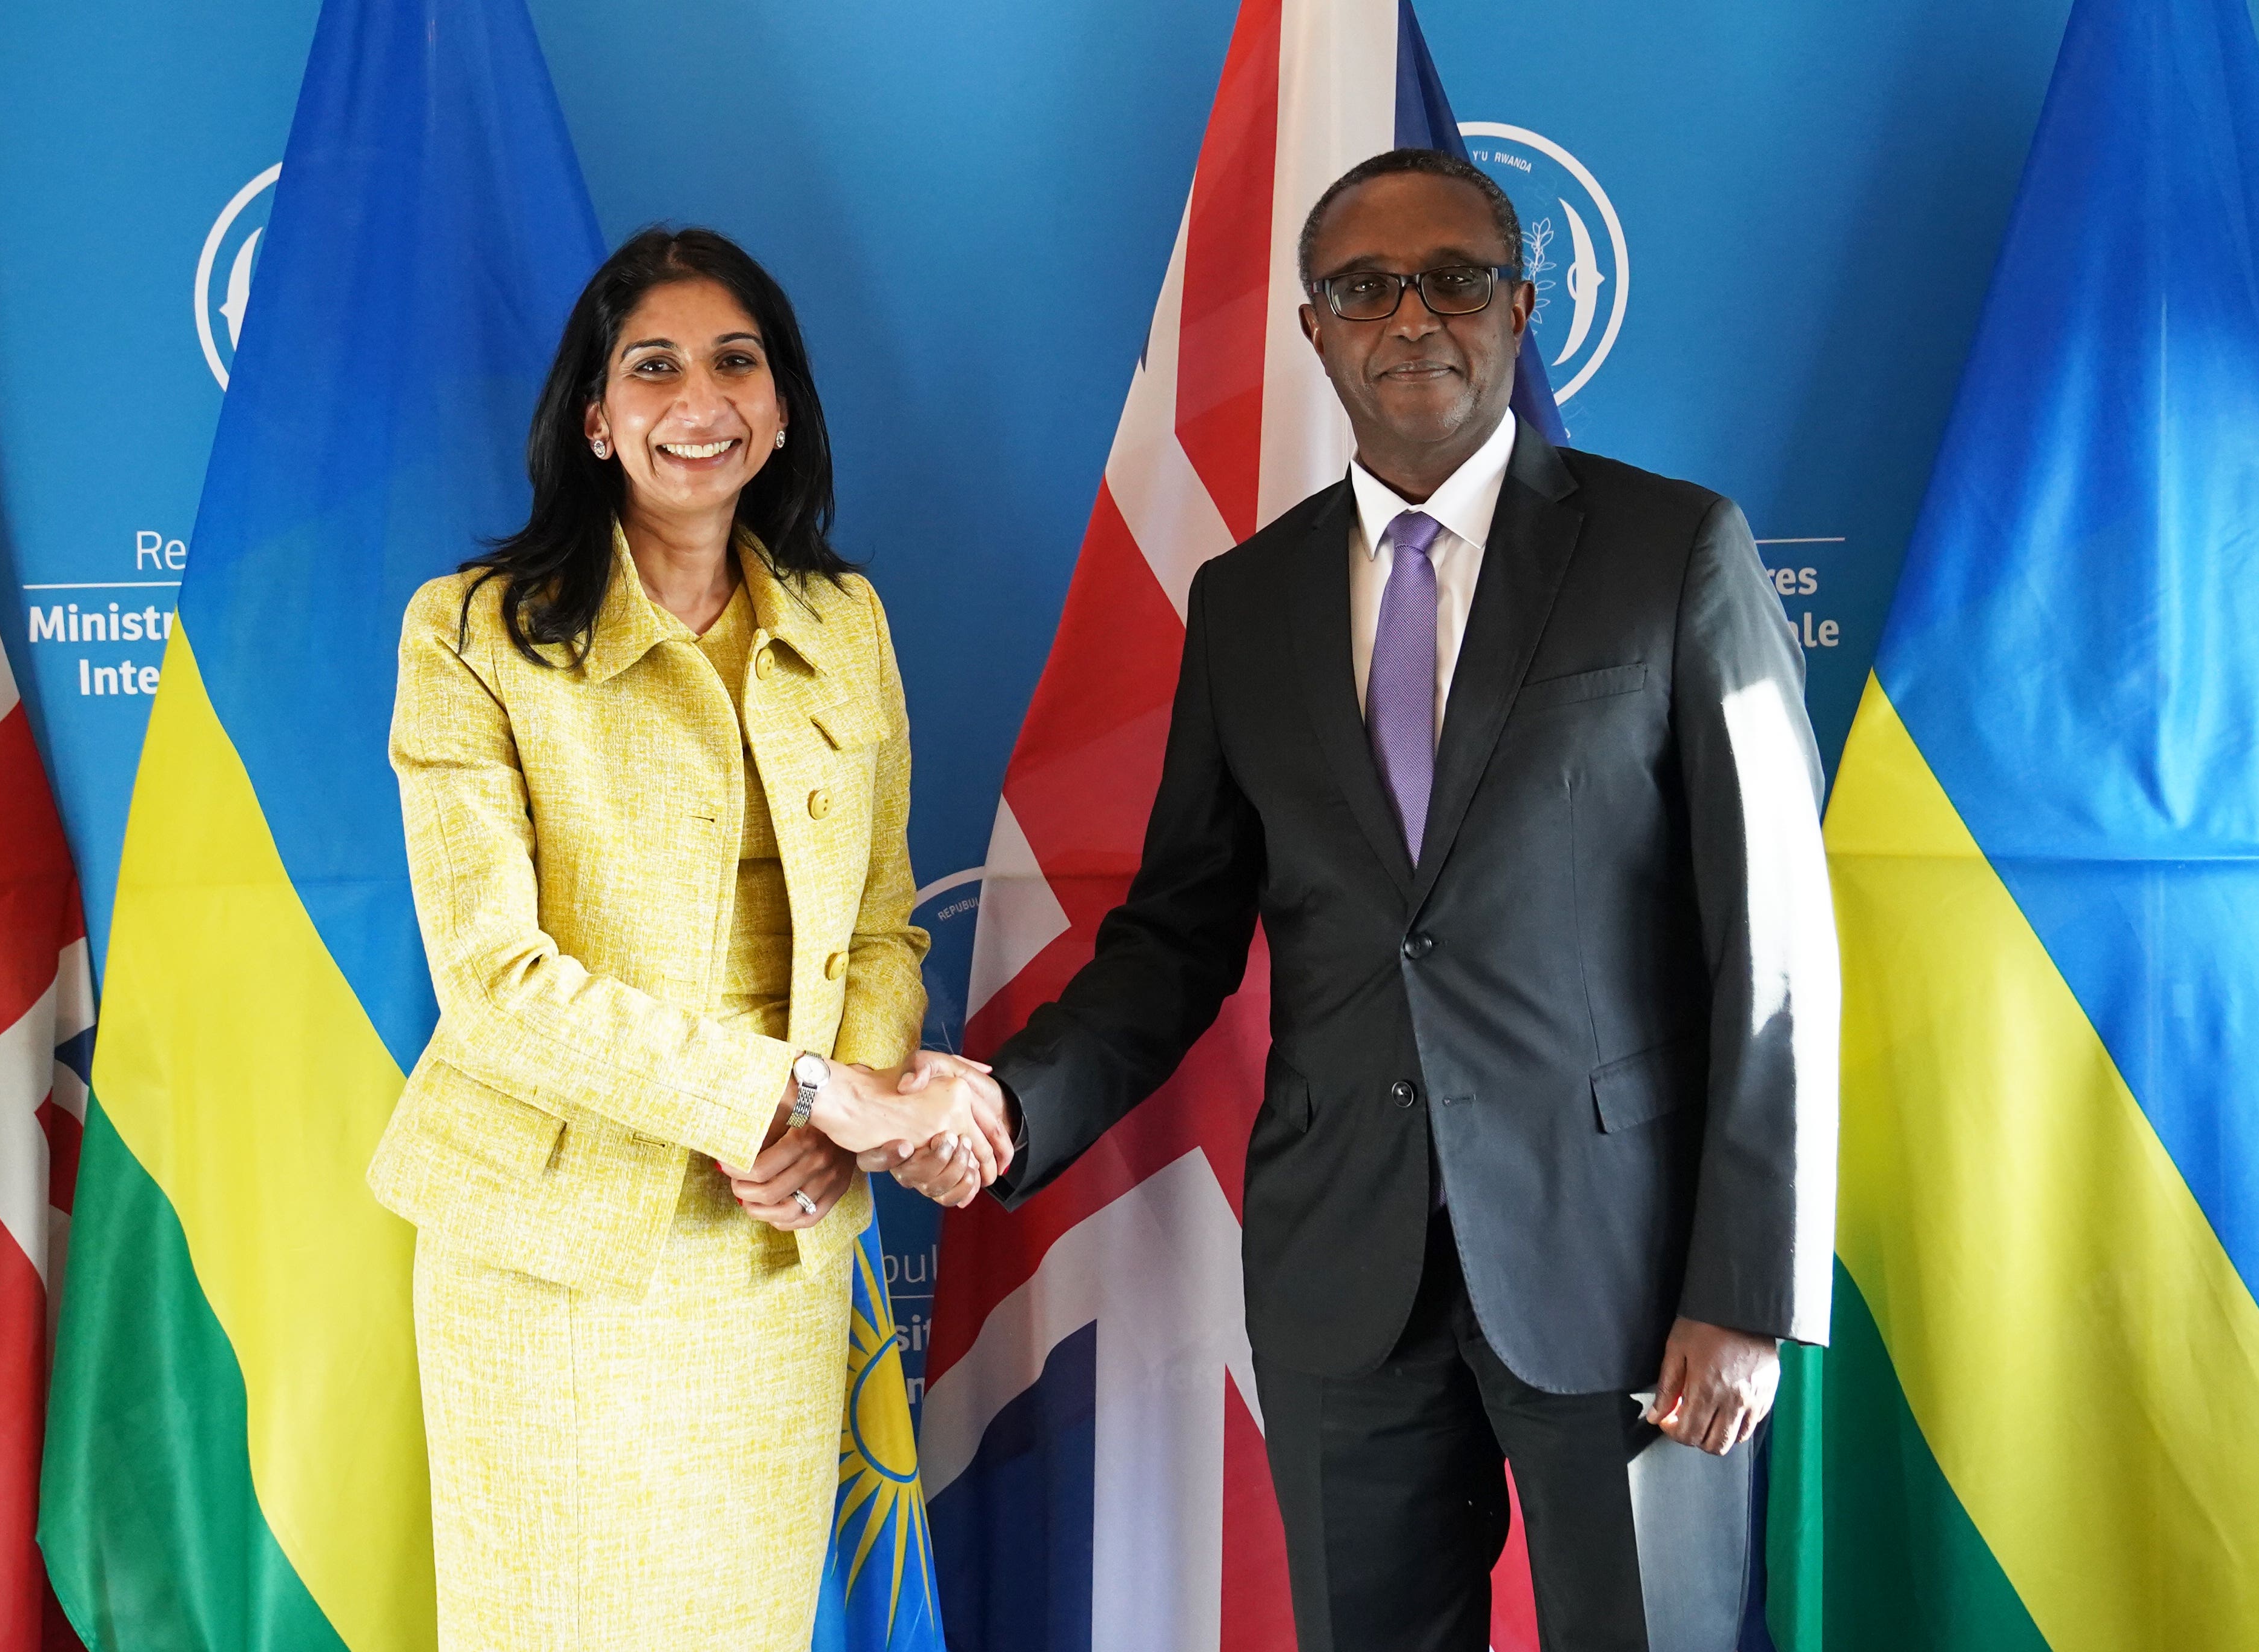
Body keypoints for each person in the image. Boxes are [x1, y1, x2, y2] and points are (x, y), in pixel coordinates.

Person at [882, 150, 1839, 1651]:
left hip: (1632, 1276)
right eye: (1364, 287)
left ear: (1521, 309)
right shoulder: (1246, 603)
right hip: (1346, 1277)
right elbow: (1183, 930)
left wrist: (1745, 1286)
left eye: (1455, 277)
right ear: (1314, 329)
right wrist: (1009, 1103)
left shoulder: (1672, 552)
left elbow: (1772, 948)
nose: (1413, 315)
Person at [365, 226, 1007, 1652]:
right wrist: (796, 1091)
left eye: (736, 361)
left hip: (769, 1234)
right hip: (550, 1244)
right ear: (595, 417)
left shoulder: (847, 624)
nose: (698, 397)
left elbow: (887, 919)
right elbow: (494, 985)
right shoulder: (472, 633)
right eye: (651, 366)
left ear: (780, 410)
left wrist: (848, 1115)